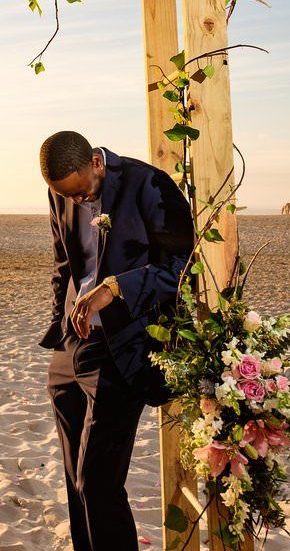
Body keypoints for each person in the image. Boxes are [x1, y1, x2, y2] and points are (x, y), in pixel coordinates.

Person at [38, 131, 193, 551]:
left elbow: (182, 267)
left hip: (125, 344)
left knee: (98, 480)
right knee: (75, 481)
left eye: (82, 193)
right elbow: (64, 262)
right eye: (64, 197)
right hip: (73, 346)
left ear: (96, 163)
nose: (76, 203)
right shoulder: (63, 193)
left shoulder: (150, 184)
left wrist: (115, 287)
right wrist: (60, 329)